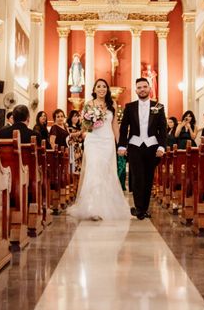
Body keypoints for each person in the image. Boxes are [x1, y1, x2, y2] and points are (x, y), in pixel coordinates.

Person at [68, 79, 130, 221]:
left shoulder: (112, 104)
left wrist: (121, 144)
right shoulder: (88, 104)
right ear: (94, 89)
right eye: (99, 86)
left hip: (107, 141)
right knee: (93, 169)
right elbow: (85, 127)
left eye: (104, 86)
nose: (101, 89)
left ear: (107, 89)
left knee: (106, 171)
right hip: (93, 140)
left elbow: (115, 126)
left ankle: (106, 206)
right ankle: (92, 208)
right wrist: (91, 122)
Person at [117, 77, 167, 220]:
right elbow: (124, 127)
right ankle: (139, 208)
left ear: (149, 88)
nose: (142, 89)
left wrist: (162, 147)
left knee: (148, 178)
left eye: (145, 87)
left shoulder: (158, 106)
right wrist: (122, 145)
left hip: (152, 146)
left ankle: (144, 208)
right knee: (137, 178)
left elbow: (163, 129)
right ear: (135, 90)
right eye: (139, 87)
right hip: (135, 146)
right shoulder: (129, 107)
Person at [67, 109, 83, 175]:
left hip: (80, 148)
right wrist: (81, 132)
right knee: (73, 168)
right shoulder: (68, 127)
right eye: (74, 116)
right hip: (72, 148)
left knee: (80, 168)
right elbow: (71, 135)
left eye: (77, 116)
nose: (76, 118)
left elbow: (81, 139)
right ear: (70, 118)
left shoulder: (79, 127)